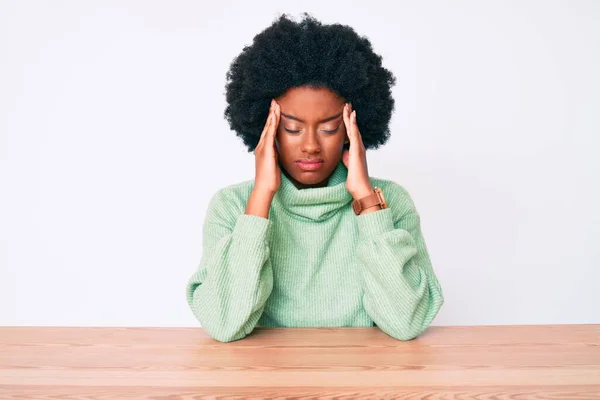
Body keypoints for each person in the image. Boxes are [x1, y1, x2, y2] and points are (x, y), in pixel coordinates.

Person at [186, 13, 444, 342]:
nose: (310, 145)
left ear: (352, 130)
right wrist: (261, 198)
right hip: (266, 385)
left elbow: (408, 321)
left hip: (363, 385)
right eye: (292, 128)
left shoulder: (388, 202)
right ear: (269, 129)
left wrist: (366, 200)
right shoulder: (232, 206)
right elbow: (224, 323)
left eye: (329, 128)